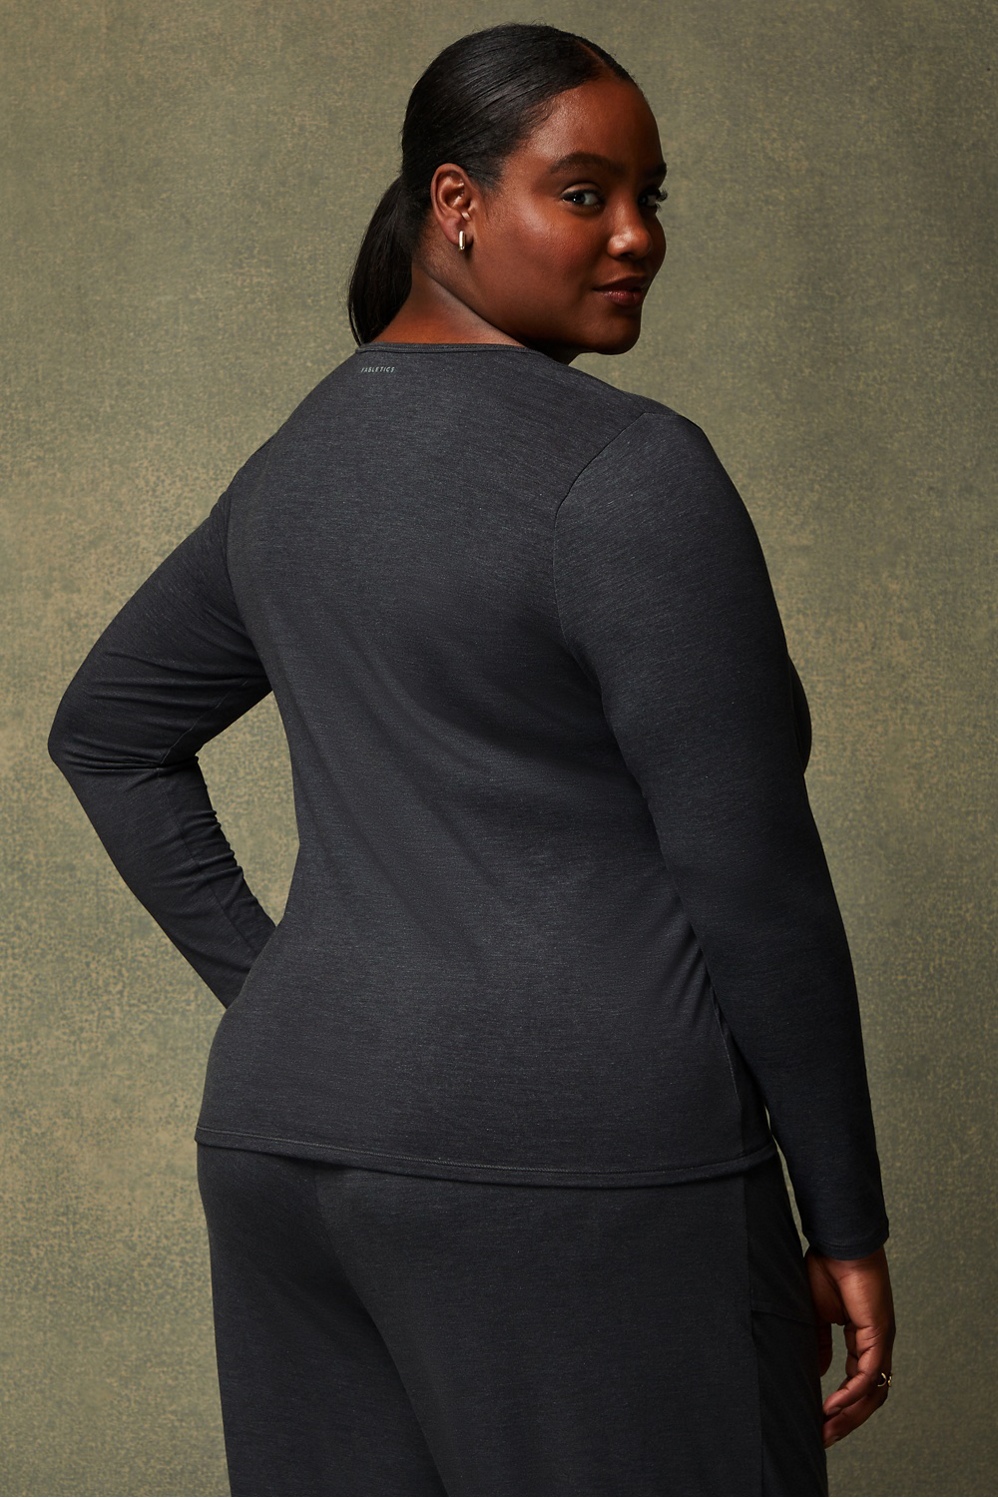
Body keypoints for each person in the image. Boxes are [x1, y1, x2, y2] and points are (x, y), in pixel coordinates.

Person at [47, 20, 895, 1498]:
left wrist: (296, 991)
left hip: (290, 1149)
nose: (635, 234)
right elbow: (751, 879)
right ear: (455, 203)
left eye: (649, 197)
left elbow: (106, 732)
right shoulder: (632, 475)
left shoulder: (295, 466)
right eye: (583, 192)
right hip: (581, 1170)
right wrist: (845, 1216)